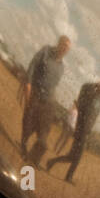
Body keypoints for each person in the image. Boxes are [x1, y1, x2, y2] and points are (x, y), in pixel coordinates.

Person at [47, 76, 100, 182]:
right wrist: (78, 127)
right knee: (76, 157)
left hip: (87, 130)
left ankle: (53, 162)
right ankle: (67, 176)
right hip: (80, 129)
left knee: (72, 157)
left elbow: (95, 113)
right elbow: (80, 106)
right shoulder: (88, 88)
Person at [21, 36, 71, 165]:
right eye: (64, 46)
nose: (65, 50)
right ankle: (23, 144)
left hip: (49, 101)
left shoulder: (62, 67)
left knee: (44, 131)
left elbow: (54, 85)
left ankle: (34, 158)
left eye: (67, 48)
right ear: (58, 44)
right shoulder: (46, 52)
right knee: (28, 122)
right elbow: (32, 67)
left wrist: (53, 102)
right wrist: (28, 86)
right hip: (35, 94)